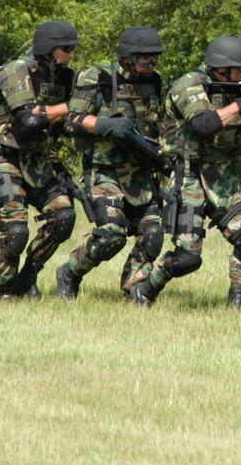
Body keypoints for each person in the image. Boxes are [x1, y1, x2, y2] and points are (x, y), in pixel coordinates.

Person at [129, 35, 241, 309]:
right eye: (238, 70)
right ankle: (147, 289)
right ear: (220, 69)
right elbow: (204, 124)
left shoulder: (234, 91)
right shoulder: (189, 85)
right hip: (186, 175)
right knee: (188, 257)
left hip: (221, 177)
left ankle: (236, 301)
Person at [56, 27, 166, 301]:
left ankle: (135, 289)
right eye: (145, 61)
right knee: (111, 236)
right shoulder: (97, 78)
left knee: (152, 234)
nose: (151, 66)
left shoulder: (154, 81)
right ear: (128, 58)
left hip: (141, 173)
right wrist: (106, 125)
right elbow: (71, 122)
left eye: (155, 60)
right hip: (104, 172)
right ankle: (70, 271)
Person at [0, 20, 79, 300]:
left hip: (39, 159)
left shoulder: (64, 76)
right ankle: (7, 288)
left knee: (64, 216)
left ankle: (28, 275)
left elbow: (63, 125)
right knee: (16, 229)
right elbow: (29, 119)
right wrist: (72, 108)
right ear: (48, 49)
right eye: (67, 49)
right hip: (3, 156)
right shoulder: (15, 71)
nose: (72, 55)